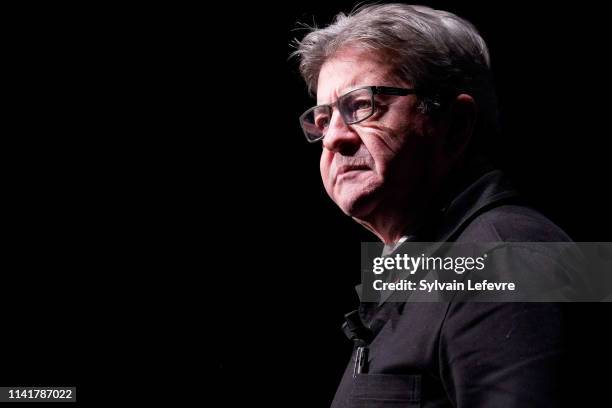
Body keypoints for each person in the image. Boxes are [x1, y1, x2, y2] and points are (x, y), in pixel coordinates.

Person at [291, 4, 577, 407]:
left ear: (455, 124)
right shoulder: (433, 262)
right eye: (323, 119)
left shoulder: (512, 258)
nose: (334, 138)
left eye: (362, 105)